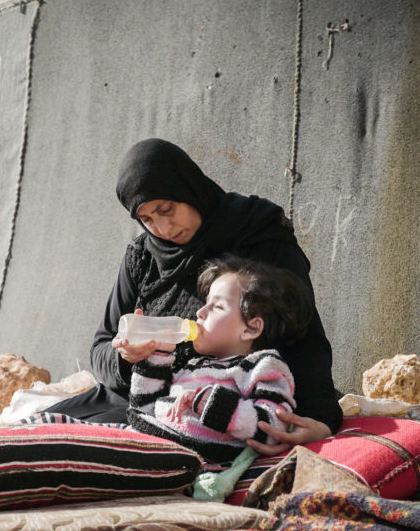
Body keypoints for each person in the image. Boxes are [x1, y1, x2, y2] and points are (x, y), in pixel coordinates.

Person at [44, 137, 341, 454]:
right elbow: (103, 345)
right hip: (145, 398)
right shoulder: (143, 257)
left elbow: (304, 332)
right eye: (146, 219)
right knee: (40, 431)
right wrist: (127, 357)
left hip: (217, 402)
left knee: (84, 448)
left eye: (166, 209)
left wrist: (319, 417)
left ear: (189, 189)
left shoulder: (255, 233)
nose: (162, 227)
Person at [126, 255, 310, 463]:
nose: (200, 312)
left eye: (217, 306)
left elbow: (272, 426)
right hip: (150, 440)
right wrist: (155, 357)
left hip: (186, 458)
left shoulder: (263, 365)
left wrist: (204, 401)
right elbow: (143, 410)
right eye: (206, 303)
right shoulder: (193, 368)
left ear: (251, 328)